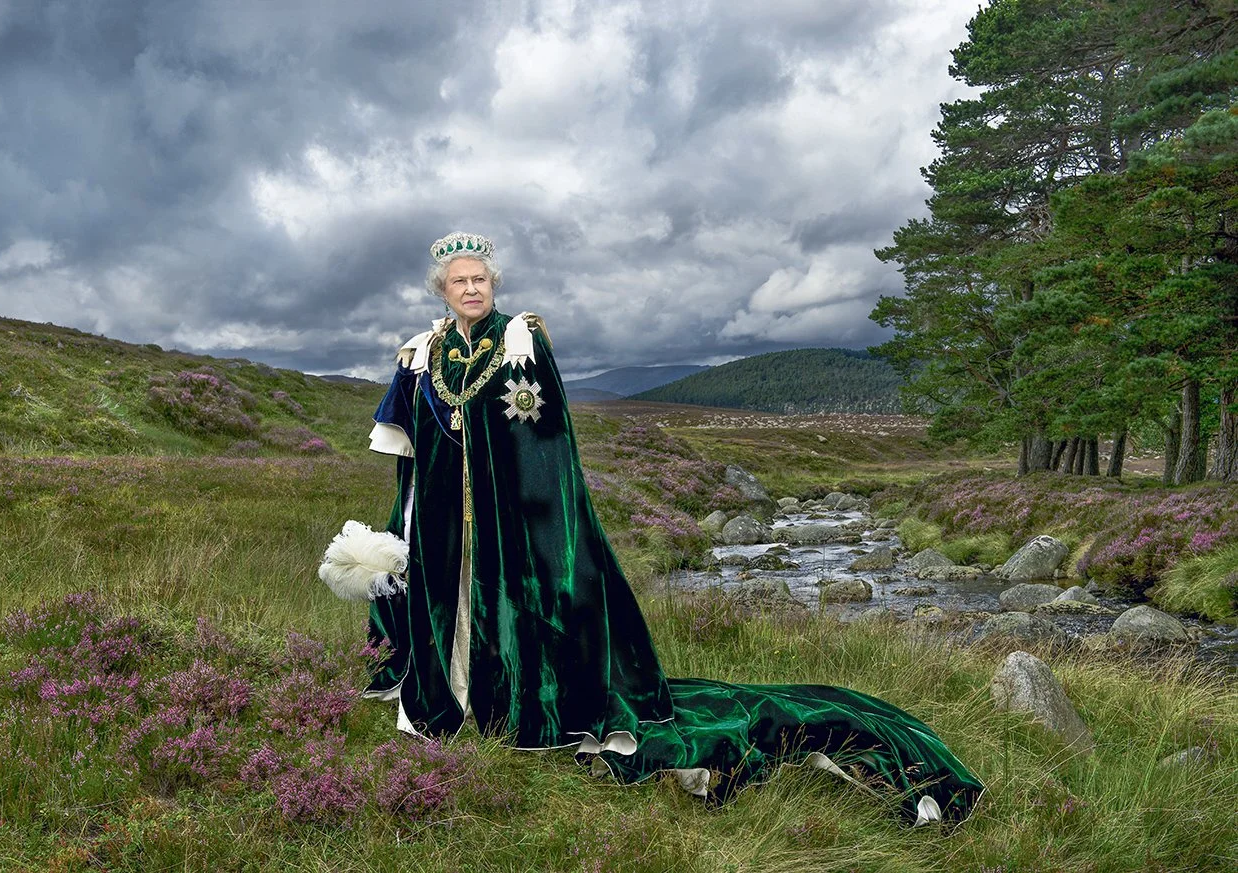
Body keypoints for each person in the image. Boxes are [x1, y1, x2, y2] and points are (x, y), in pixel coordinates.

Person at [363, 232, 983, 825]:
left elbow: (548, 442)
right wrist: (408, 523)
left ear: (493, 284)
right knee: (457, 604)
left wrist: (549, 528)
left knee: (526, 608)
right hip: (450, 525)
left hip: (518, 523)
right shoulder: (427, 352)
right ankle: (462, 699)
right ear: (441, 290)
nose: (472, 289)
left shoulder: (521, 339)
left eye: (480, 279)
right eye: (459, 282)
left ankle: (529, 709)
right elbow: (412, 450)